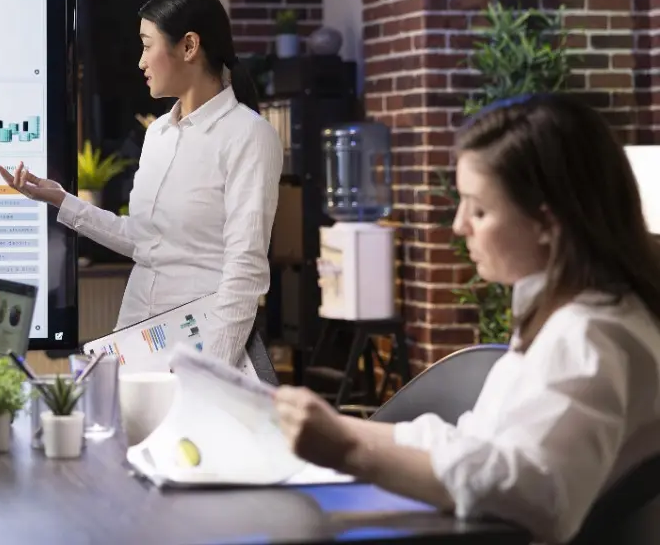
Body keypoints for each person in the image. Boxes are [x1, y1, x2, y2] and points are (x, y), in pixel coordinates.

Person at [274, 93, 660, 544]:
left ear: (546, 222)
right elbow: (479, 444)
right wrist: (333, 428)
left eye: (478, 210)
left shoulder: (591, 335)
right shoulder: (567, 312)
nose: (459, 226)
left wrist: (350, 449)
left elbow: (530, 490)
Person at [0, 0, 282, 373]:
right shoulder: (158, 135)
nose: (140, 61)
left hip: (204, 345)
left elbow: (246, 271)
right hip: (138, 338)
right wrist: (60, 200)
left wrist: (211, 373)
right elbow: (143, 240)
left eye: (147, 45)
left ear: (189, 47)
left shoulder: (248, 135)